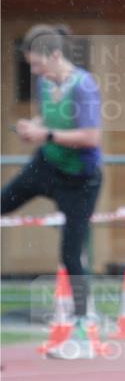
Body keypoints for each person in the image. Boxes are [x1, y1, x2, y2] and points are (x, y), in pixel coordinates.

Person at [2, 24, 102, 359]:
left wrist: (45, 134)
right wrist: (33, 126)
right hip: (46, 166)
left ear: (55, 55)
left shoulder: (83, 86)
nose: (34, 71)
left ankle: (82, 330)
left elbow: (90, 136)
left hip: (80, 179)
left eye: (37, 64)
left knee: (71, 255)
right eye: (30, 64)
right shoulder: (46, 83)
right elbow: (50, 119)